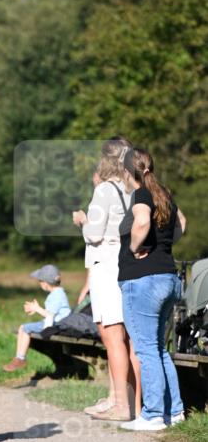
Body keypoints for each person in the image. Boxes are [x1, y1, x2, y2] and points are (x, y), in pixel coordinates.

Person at [117, 147, 187, 431]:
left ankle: (154, 414)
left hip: (142, 281)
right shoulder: (165, 194)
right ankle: (175, 412)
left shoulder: (141, 194)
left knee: (146, 350)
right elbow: (182, 223)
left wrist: (135, 248)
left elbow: (142, 221)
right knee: (158, 349)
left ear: (127, 172)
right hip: (168, 277)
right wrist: (164, 246)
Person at [72, 139, 141, 421]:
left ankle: (120, 405)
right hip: (127, 262)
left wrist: (82, 220)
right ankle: (127, 401)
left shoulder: (104, 189)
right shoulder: (133, 188)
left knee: (112, 336)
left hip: (106, 265)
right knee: (128, 336)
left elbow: (94, 234)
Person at [3, 264, 71, 371]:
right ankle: (19, 358)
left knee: (25, 328)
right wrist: (35, 309)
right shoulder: (57, 293)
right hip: (55, 324)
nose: (39, 283)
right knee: (23, 328)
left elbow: (50, 315)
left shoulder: (57, 295)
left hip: (58, 326)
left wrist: (36, 308)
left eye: (40, 281)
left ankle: (20, 358)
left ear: (45, 283)